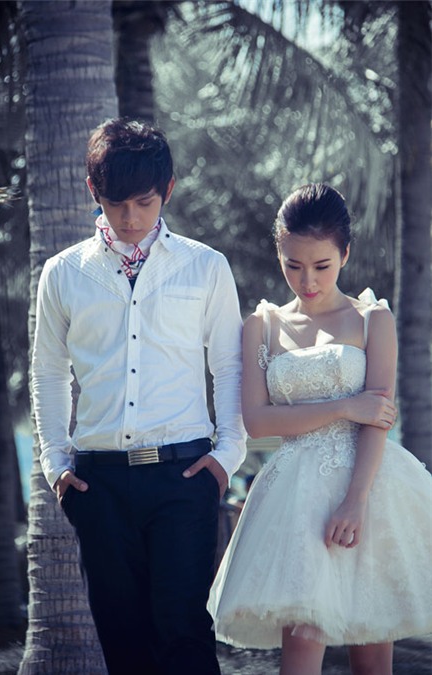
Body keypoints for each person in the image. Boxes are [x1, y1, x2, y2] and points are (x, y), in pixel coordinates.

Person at [31, 118, 247, 675]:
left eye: (144, 202)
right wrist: (57, 464)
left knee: (185, 639)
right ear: (92, 191)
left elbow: (229, 366)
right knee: (123, 645)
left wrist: (227, 457)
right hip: (97, 484)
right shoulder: (62, 273)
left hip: (185, 477)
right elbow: (49, 372)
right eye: (115, 203)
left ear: (167, 190)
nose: (129, 218)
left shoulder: (206, 267)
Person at [208, 183, 432, 675]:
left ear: (345, 254)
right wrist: (346, 406)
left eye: (321, 266)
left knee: (372, 657)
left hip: (371, 488)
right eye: (293, 265)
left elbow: (378, 420)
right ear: (279, 254)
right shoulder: (262, 326)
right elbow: (258, 422)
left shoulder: (373, 319)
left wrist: (356, 499)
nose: (306, 280)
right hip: (295, 497)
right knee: (301, 653)